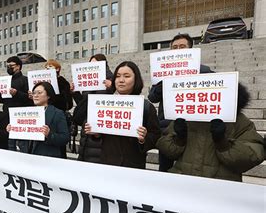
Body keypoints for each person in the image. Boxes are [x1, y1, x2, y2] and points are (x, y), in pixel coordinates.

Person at [157, 83, 264, 182]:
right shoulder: (186, 117)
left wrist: (223, 143)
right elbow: (165, 149)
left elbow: (253, 155)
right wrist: (179, 138)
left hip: (221, 186)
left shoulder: (239, 121)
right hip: (184, 182)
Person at [149, 33, 214, 172]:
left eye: (182, 47)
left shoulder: (204, 71)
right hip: (167, 127)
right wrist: (164, 81)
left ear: (190, 50)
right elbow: (153, 97)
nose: (178, 50)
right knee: (165, 167)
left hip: (192, 127)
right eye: (175, 47)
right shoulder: (162, 73)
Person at [85, 61, 161, 169]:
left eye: (127, 76)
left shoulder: (146, 107)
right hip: (107, 163)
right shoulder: (104, 104)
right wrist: (96, 133)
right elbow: (99, 136)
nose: (121, 80)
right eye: (117, 76)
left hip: (133, 166)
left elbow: (156, 136)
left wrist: (143, 138)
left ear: (136, 79)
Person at [8, 82, 70, 158]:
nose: (36, 95)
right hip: (27, 157)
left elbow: (65, 138)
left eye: (39, 93)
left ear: (48, 95)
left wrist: (49, 135)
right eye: (34, 93)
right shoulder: (26, 113)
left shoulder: (57, 113)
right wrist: (13, 130)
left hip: (47, 159)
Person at [72, 54, 114, 163]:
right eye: (90, 65)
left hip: (101, 123)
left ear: (103, 64)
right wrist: (75, 92)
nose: (92, 67)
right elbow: (82, 103)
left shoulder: (111, 80)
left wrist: (112, 86)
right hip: (87, 123)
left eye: (95, 64)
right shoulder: (88, 82)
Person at [4, 56, 33, 152]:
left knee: (23, 145)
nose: (9, 68)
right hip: (8, 115)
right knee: (10, 144)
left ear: (18, 66)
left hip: (21, 117)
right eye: (7, 66)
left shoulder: (25, 80)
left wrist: (17, 93)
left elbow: (30, 98)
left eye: (11, 65)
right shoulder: (5, 81)